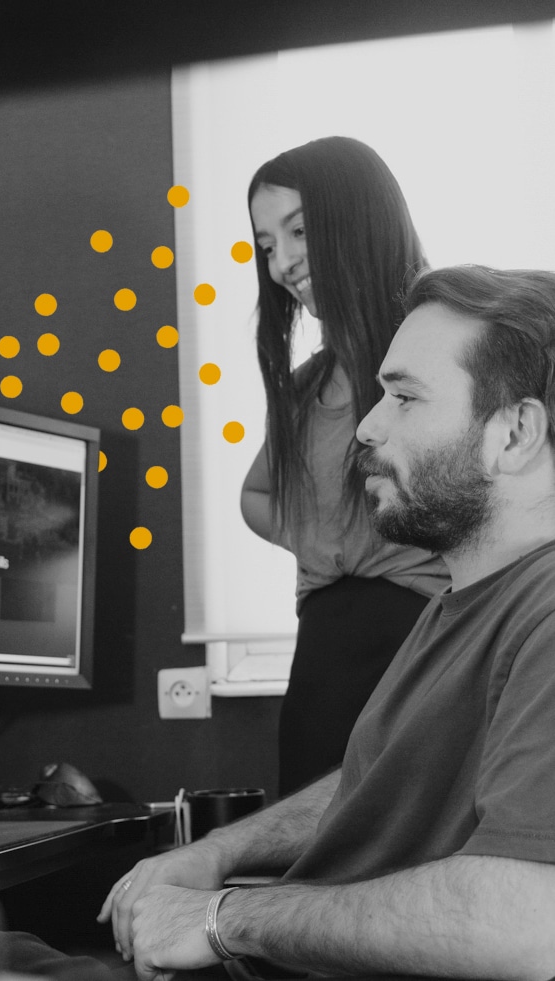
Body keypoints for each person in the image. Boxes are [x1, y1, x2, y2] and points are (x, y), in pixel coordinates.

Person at [97, 265, 555, 981]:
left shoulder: (546, 615)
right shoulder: (462, 604)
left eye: (404, 397)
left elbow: (529, 924)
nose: (367, 426)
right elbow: (378, 785)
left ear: (516, 433)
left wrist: (222, 919)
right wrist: (219, 853)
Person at [241, 136, 450, 795]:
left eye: (299, 231)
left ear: (357, 219)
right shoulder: (307, 385)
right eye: (266, 245)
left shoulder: (451, 344)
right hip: (323, 659)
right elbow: (255, 495)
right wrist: (327, 539)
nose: (282, 263)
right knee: (308, 843)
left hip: (423, 640)